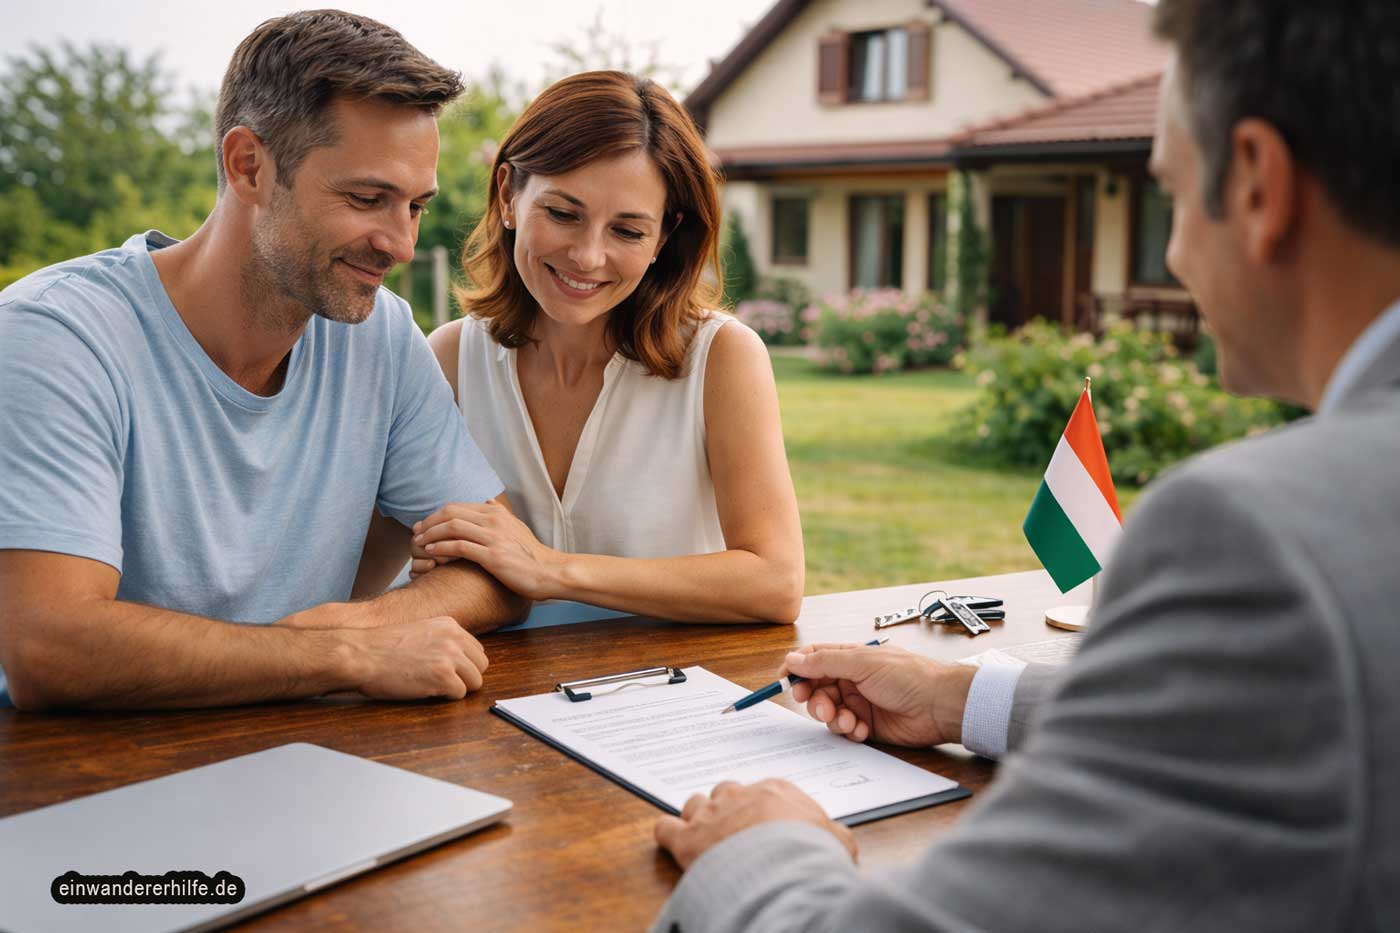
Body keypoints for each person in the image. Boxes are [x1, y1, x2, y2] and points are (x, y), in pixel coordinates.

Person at [651, 1, 1400, 929]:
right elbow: (1294, 716)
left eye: (1168, 192)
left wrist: (761, 848)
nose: (1170, 250)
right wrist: (967, 696)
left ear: (1255, 183)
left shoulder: (1266, 538)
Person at [0, 11, 528, 711]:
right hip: (88, 779)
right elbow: (48, 645)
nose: (400, 244)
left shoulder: (380, 333)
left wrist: (357, 624)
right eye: (367, 198)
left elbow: (502, 569)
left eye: (416, 207)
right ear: (248, 165)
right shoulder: (56, 336)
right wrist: (342, 653)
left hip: (306, 759)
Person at [409, 71, 805, 625]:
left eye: (627, 231)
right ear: (508, 196)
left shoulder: (722, 357)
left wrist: (552, 570)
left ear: (663, 238)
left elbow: (775, 581)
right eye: (564, 214)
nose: (588, 257)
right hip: (498, 699)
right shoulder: (450, 358)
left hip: (671, 698)